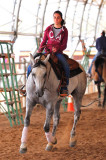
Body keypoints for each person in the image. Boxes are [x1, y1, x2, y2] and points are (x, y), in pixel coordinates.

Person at [27, 10, 70, 96]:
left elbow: (64, 45)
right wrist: (40, 49)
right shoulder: (48, 29)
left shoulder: (64, 30)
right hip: (46, 51)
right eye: (54, 17)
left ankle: (64, 86)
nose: (56, 19)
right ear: (53, 18)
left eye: (58, 18)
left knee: (66, 66)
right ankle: (27, 85)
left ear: (61, 19)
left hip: (57, 53)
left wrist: (57, 48)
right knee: (30, 65)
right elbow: (44, 41)